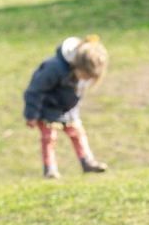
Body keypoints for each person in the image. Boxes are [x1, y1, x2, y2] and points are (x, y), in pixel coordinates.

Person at [23, 35, 110, 179]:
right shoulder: (54, 68)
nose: (86, 80)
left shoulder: (81, 72)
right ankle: (50, 169)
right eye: (85, 76)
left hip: (68, 110)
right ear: (76, 65)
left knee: (78, 133)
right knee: (49, 138)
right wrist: (31, 114)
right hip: (47, 109)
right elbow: (35, 90)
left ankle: (87, 161)